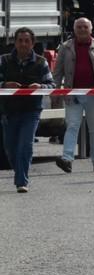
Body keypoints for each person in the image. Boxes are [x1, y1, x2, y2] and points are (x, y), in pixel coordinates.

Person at [53, 18, 94, 173]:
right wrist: (55, 92)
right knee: (72, 126)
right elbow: (58, 71)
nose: (82, 29)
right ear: (74, 29)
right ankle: (67, 159)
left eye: (85, 27)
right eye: (79, 27)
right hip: (72, 94)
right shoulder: (66, 47)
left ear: (91, 28)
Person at [0, 27, 55, 192]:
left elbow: (52, 85)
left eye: (27, 41)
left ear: (32, 43)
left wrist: (40, 86)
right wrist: (4, 85)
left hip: (31, 110)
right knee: (10, 148)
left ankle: (21, 181)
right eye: (20, 41)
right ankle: (20, 172)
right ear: (14, 42)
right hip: (9, 111)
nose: (23, 44)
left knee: (26, 144)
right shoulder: (3, 60)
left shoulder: (41, 62)